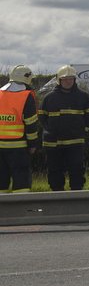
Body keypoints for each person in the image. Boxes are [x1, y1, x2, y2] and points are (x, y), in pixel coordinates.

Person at [39, 65, 89, 191]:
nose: (68, 81)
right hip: (53, 142)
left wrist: (84, 129)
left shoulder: (84, 97)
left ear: (75, 80)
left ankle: (76, 197)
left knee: (76, 169)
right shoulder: (49, 98)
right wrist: (50, 130)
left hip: (75, 141)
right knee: (54, 170)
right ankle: (57, 195)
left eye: (71, 79)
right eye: (65, 79)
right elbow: (42, 117)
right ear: (59, 80)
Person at [0, 65, 40, 193]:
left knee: (1, 182)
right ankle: (22, 209)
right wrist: (33, 144)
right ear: (27, 79)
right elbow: (31, 123)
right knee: (21, 182)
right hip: (19, 148)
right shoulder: (26, 95)